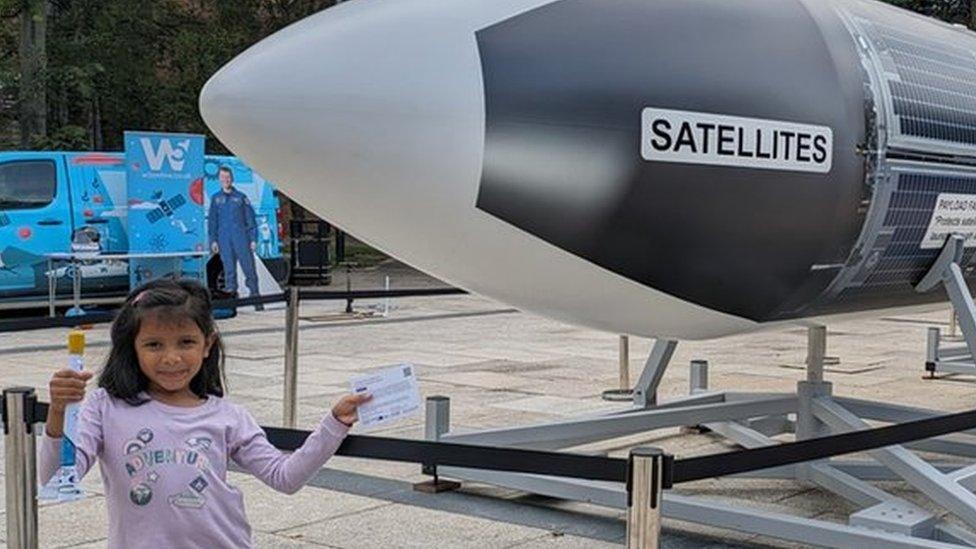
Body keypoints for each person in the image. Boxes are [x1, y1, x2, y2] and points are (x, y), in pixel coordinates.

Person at [41, 279, 370, 549]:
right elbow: (55, 476)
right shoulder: (106, 406)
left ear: (207, 344)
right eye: (154, 345)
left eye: (186, 342)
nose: (171, 358)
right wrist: (59, 411)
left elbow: (285, 477)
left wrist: (334, 424)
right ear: (132, 346)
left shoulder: (228, 416)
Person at [208, 166, 260, 303]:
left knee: (249, 269)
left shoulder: (241, 198)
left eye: (228, 177)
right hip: (224, 240)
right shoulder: (216, 199)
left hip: (241, 238)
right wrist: (213, 240)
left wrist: (253, 239)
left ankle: (255, 297)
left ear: (232, 178)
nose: (226, 180)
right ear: (219, 179)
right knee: (229, 270)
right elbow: (212, 222)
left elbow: (250, 220)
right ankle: (231, 299)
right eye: (223, 177)